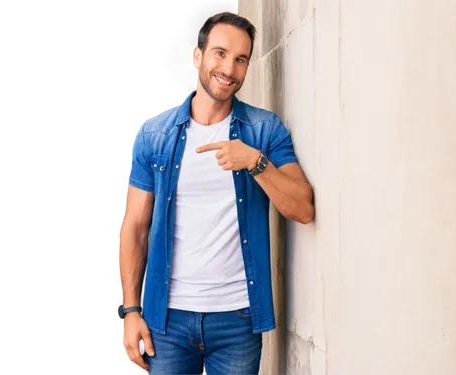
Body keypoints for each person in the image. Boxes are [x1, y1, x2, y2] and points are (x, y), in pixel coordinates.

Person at [118, 11, 314, 374]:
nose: (229, 68)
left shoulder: (263, 130)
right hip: (168, 320)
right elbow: (134, 228)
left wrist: (256, 163)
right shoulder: (154, 136)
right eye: (220, 53)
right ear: (197, 56)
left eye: (241, 59)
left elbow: (302, 208)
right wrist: (130, 311)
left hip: (237, 321)